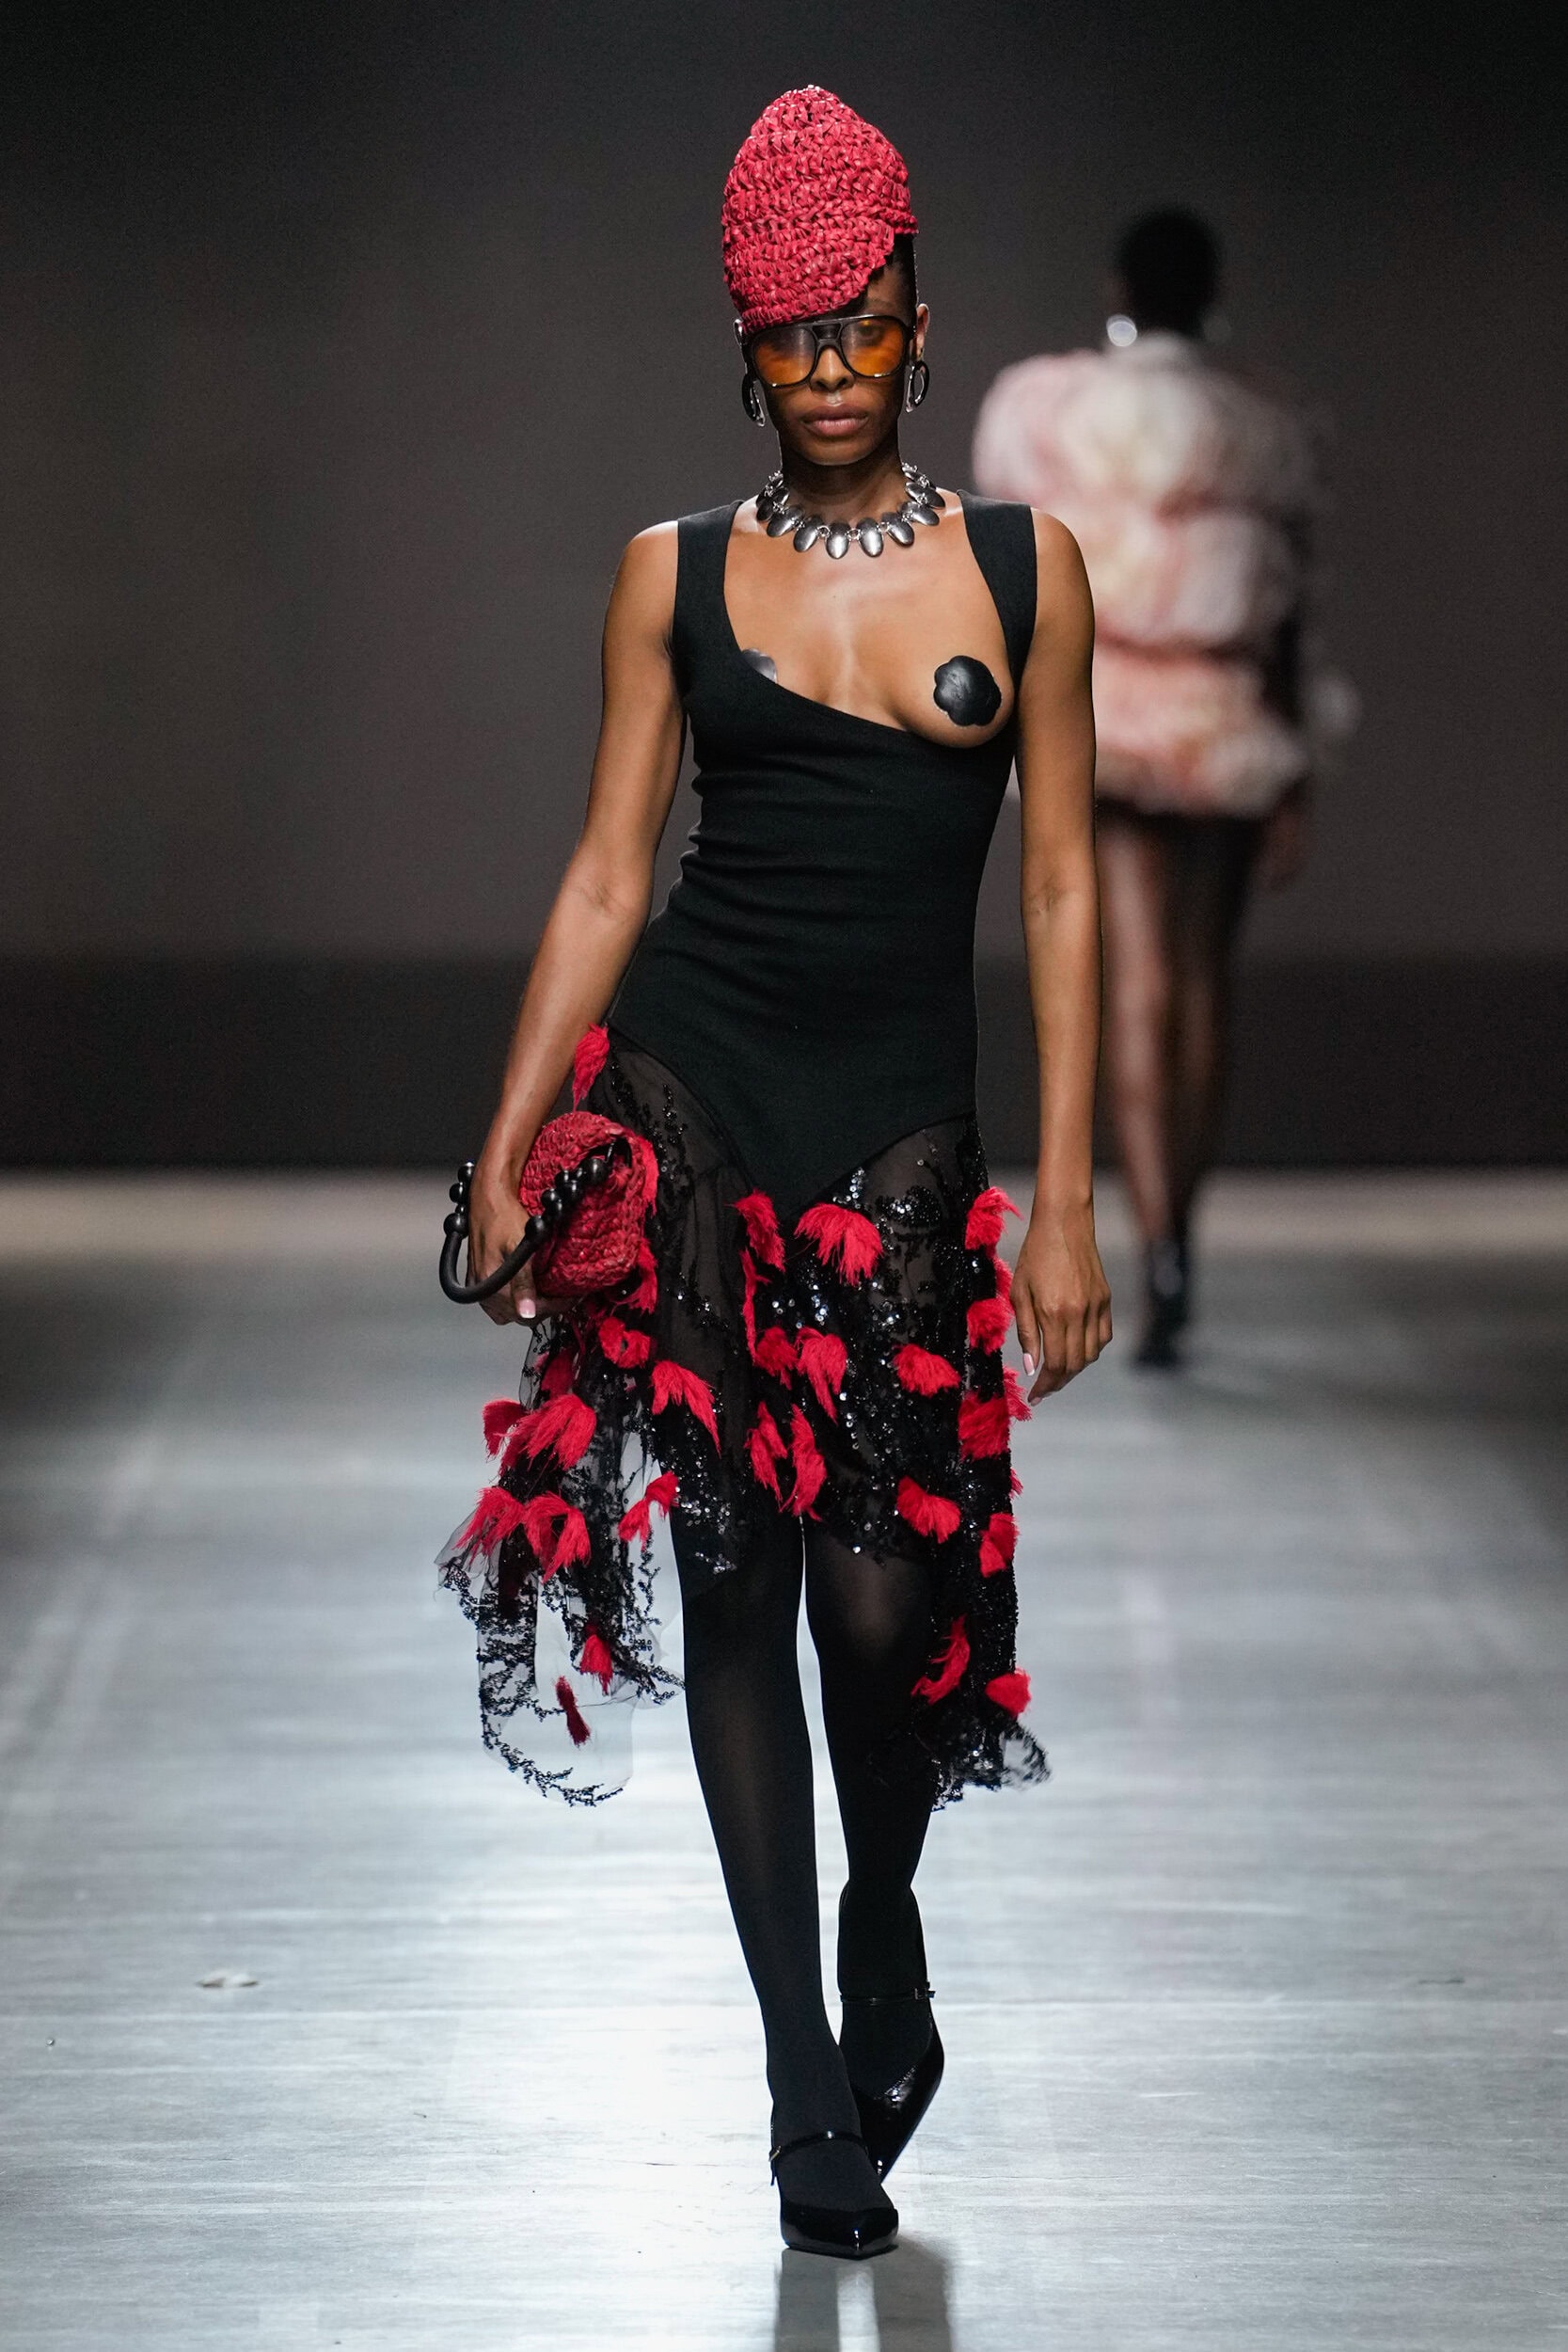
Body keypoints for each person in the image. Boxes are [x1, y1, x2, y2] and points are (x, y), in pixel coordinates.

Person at [440, 87, 1110, 2259]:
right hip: (696, 1094)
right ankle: (797, 2076)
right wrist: (508, 1139)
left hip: (901, 1122)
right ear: (746, 346)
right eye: (790, 334)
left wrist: (1071, 1197)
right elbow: (609, 867)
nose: (828, 365)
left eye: (859, 323)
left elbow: (1066, 891)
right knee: (731, 1562)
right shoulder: (672, 574)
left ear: (917, 318)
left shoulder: (1025, 570)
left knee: (880, 1597)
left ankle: (879, 1910)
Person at [975, 209, 1325, 1364]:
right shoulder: (1262, 423)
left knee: (1135, 984)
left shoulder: (1050, 411)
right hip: (1227, 721)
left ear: (1118, 285)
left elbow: (1022, 571)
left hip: (1111, 715)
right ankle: (1183, 1241)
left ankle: (1155, 1236)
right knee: (1200, 986)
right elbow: (1286, 605)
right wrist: (1295, 768)